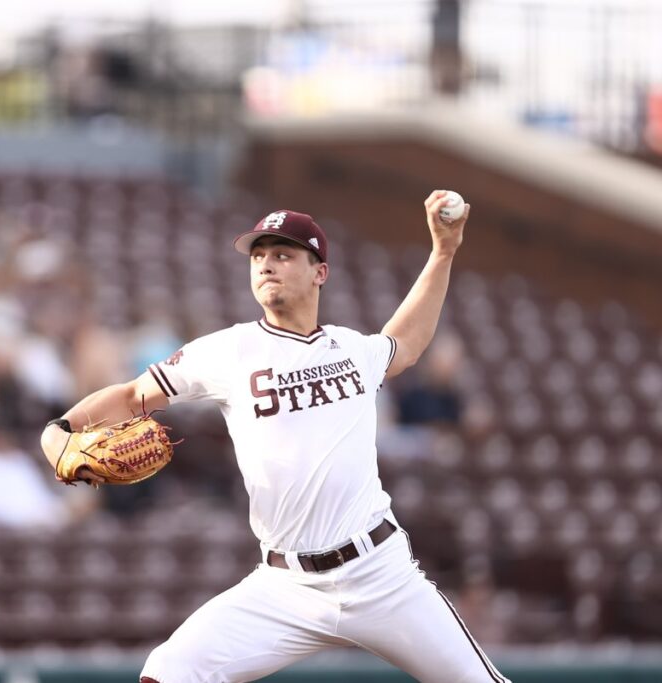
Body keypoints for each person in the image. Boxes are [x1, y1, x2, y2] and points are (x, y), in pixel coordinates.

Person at [41, 193, 512, 682]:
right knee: (168, 672)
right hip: (285, 588)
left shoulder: (351, 348)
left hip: (379, 575)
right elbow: (133, 393)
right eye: (259, 255)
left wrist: (442, 253)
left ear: (319, 272)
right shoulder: (229, 350)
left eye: (283, 254)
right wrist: (60, 431)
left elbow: (407, 344)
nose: (266, 264)